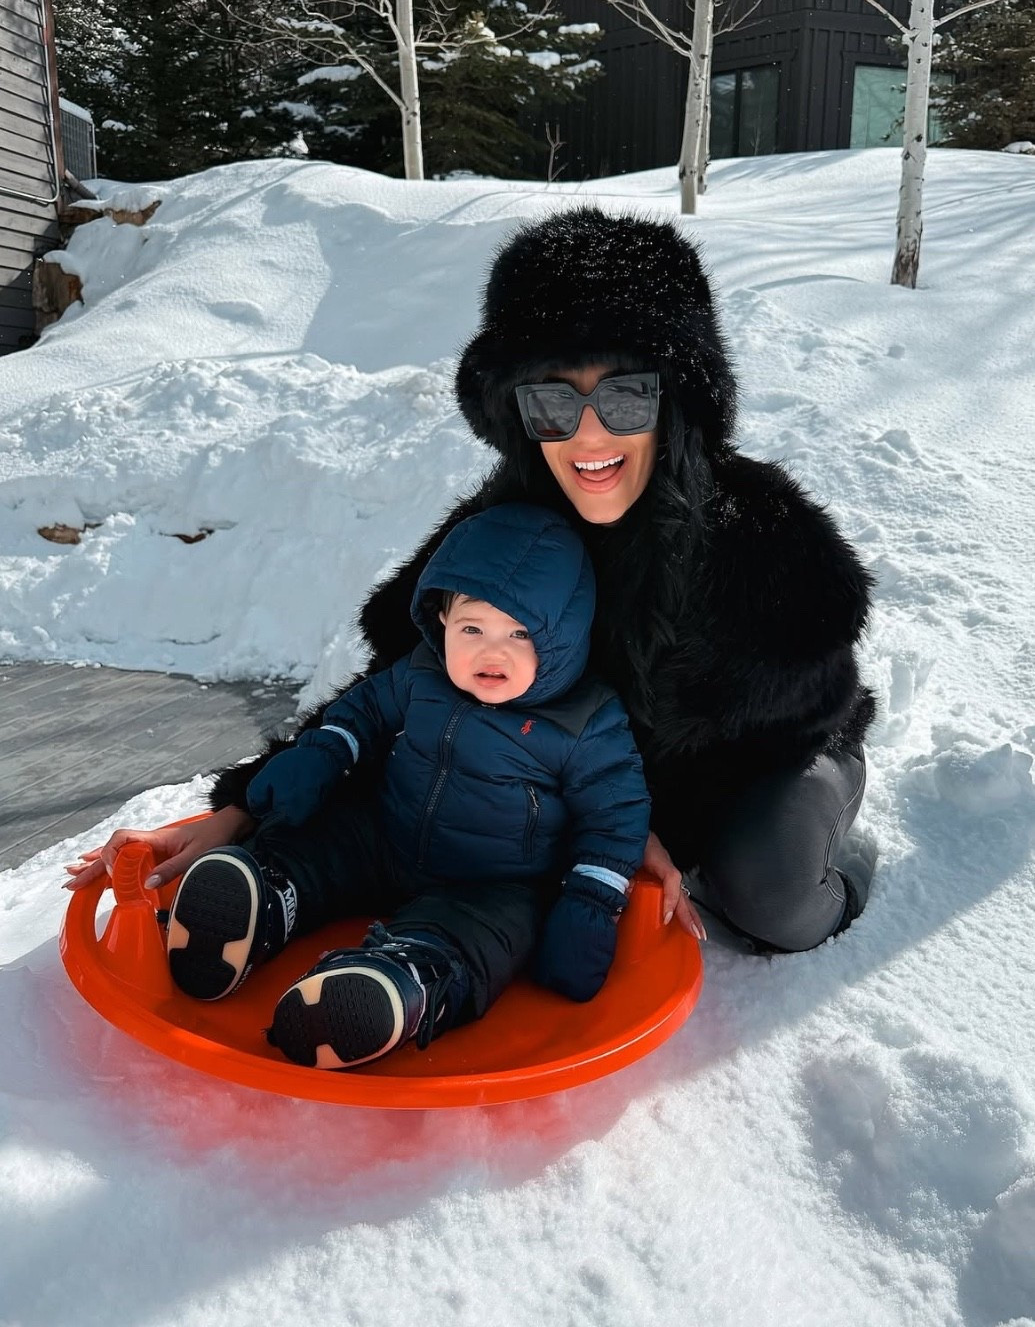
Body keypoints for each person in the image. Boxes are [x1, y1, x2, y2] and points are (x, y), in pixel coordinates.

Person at [67, 204, 873, 955]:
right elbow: (401, 692)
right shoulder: (501, 531)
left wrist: (642, 828)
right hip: (596, 781)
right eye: (554, 403)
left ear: (677, 402)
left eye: (625, 397)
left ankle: (842, 864)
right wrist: (245, 811)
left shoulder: (761, 537)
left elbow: (783, 715)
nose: (588, 435)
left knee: (765, 894)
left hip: (777, 755)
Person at [154, 503, 650, 1069]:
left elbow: (615, 817)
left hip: (495, 882)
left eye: (520, 632)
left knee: (485, 937)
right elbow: (362, 712)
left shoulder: (586, 720)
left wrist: (590, 903)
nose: (492, 651)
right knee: (318, 841)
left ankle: (401, 982)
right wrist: (319, 754)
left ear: (561, 635)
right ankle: (264, 900)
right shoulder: (422, 671)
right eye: (473, 628)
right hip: (387, 834)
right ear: (441, 620)